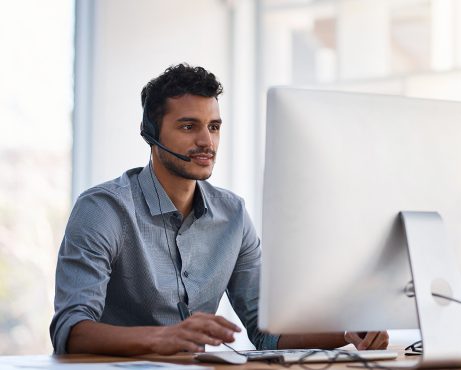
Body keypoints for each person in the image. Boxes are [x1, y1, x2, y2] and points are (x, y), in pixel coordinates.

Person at [50, 64, 389, 355]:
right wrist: (163, 338)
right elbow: (71, 330)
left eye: (213, 127)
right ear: (150, 134)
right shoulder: (104, 210)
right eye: (188, 126)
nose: (206, 142)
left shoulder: (233, 216)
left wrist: (346, 332)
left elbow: (267, 333)